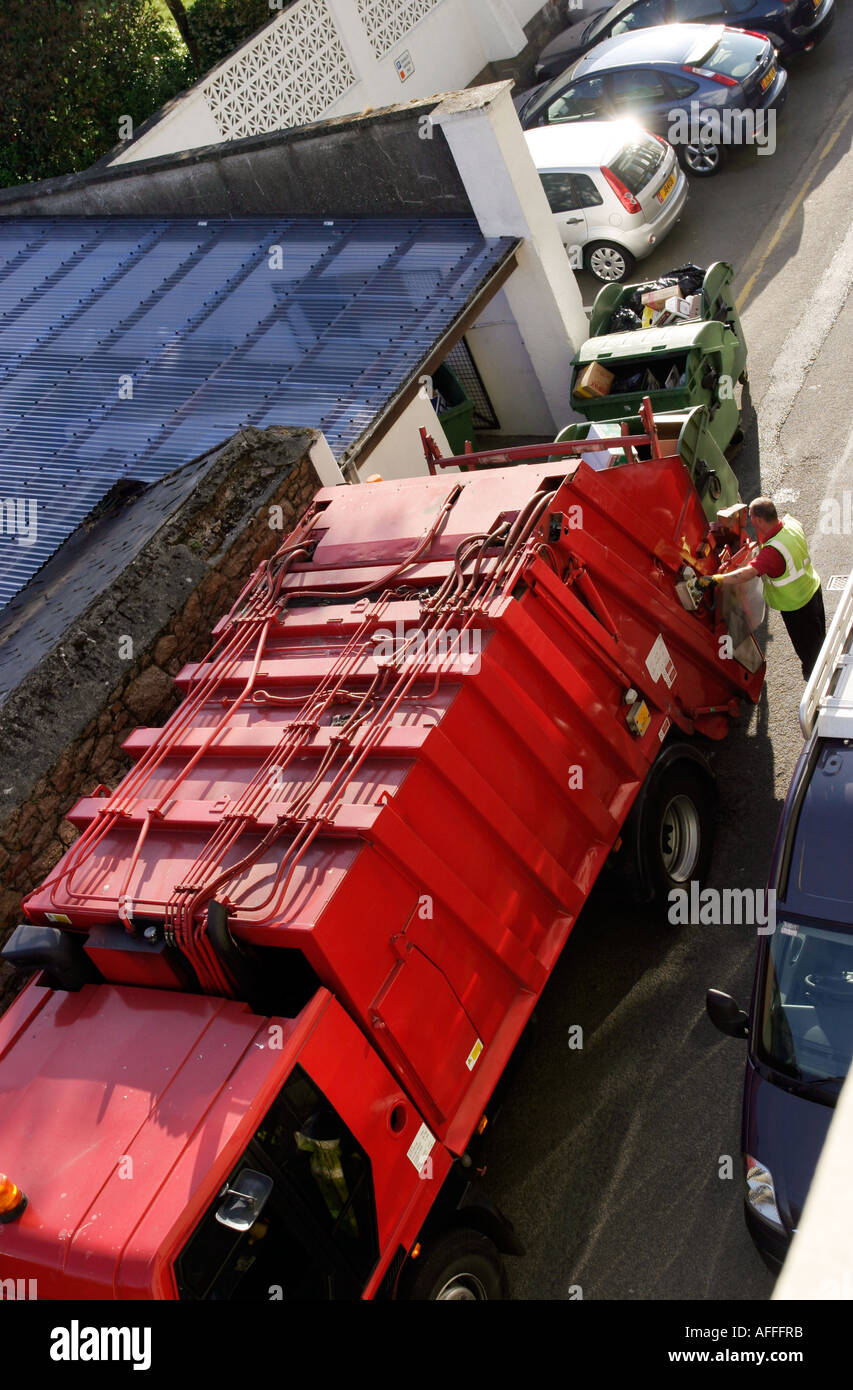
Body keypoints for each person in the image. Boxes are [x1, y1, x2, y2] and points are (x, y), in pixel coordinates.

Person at [699, 496, 825, 680]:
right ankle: (824, 665)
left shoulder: (772, 553)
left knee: (809, 651)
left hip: (796, 606)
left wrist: (716, 579)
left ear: (758, 520)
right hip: (812, 589)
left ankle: (815, 679)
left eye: (751, 517)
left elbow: (747, 573)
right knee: (819, 637)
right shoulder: (791, 524)